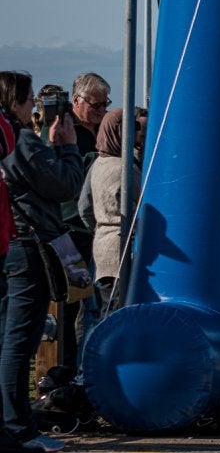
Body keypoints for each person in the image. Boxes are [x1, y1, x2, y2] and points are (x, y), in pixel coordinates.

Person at [0, 71, 84, 453]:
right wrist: (67, 147)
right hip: (28, 245)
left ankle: (14, 424)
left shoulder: (16, 141)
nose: (34, 107)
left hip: (11, 242)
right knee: (20, 343)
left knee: (10, 340)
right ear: (13, 101)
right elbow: (64, 187)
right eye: (30, 99)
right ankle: (18, 427)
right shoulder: (20, 141)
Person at [85, 109, 135, 311]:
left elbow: (84, 207)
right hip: (120, 247)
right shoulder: (124, 167)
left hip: (101, 245)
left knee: (106, 308)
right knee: (118, 310)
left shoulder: (98, 164)